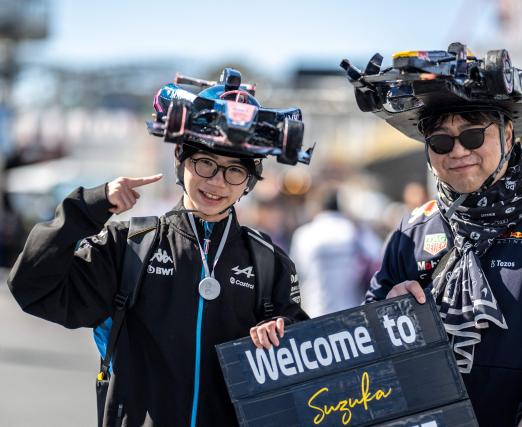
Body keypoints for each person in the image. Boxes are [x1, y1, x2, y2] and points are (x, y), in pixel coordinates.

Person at [7, 70, 308, 426]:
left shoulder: (268, 262)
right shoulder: (130, 245)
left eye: (234, 171)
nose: (217, 182)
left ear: (250, 180)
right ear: (181, 158)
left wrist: (283, 330)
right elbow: (32, 288)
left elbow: (302, 354)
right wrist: (89, 206)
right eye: (205, 163)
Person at [360, 46, 522, 426]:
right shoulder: (413, 228)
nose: (457, 152)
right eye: (440, 142)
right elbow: (368, 329)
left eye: (473, 137)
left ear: (507, 134)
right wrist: (385, 309)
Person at [290, 187, 382, 317]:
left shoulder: (303, 235)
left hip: (315, 313)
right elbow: (378, 260)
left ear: (318, 207)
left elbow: (296, 274)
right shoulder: (356, 231)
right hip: (353, 312)